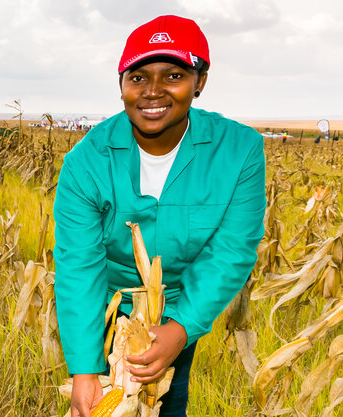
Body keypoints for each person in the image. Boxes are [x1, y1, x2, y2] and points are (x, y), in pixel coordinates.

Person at [52, 15, 265, 417]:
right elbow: (79, 265)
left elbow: (231, 251)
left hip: (182, 306)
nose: (152, 91)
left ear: (199, 81)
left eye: (173, 75)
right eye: (138, 78)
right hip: (104, 308)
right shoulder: (85, 162)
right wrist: (84, 369)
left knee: (168, 400)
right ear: (121, 85)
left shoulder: (241, 152)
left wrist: (180, 329)